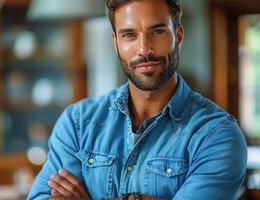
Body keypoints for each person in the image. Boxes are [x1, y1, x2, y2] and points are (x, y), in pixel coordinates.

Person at [27, 0, 247, 199]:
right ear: (115, 43)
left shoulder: (217, 134)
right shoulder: (77, 123)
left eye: (158, 31)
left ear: (178, 36)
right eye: (129, 35)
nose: (144, 49)